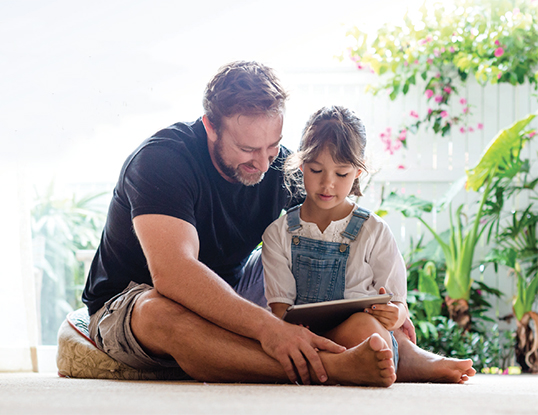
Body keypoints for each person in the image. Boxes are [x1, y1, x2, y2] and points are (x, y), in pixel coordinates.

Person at [82, 61, 397, 387]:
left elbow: (338, 233)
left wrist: (387, 304)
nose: (263, 162)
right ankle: (332, 369)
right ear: (210, 127)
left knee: (309, 251)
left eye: (272, 145)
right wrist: (270, 329)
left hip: (233, 286)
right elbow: (173, 275)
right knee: (157, 313)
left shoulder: (277, 166)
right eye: (247, 149)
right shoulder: (162, 161)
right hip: (132, 301)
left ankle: (405, 357)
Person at [261, 105, 477, 383]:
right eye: (316, 170)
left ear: (358, 172)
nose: (328, 184)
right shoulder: (278, 233)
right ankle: (387, 365)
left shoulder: (373, 230)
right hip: (305, 337)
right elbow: (280, 311)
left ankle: (379, 361)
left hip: (359, 331)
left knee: (367, 331)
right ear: (301, 165)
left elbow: (399, 304)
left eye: (341, 174)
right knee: (352, 338)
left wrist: (393, 314)